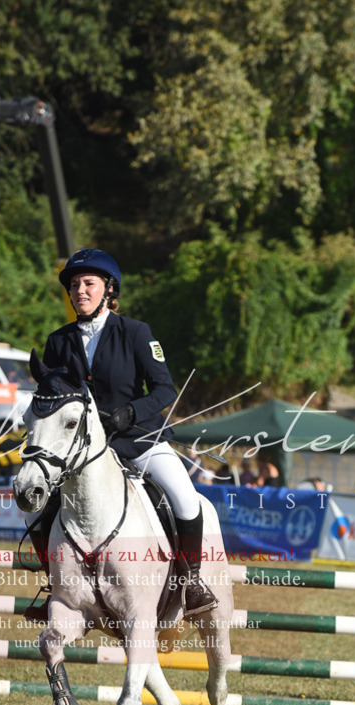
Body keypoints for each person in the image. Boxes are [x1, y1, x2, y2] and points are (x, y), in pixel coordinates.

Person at [28, 247, 218, 618]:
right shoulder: (58, 341)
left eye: (89, 283)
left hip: (137, 437)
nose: (80, 290)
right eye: (74, 285)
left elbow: (165, 390)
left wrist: (129, 412)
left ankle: (190, 581)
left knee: (184, 497)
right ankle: (56, 583)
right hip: (79, 451)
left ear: (108, 289)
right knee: (33, 511)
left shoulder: (135, 332)